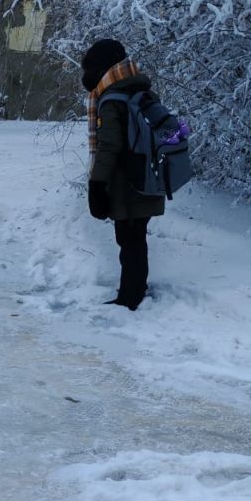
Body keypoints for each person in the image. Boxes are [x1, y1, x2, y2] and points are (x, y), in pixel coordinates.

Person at [80, 39, 165, 310]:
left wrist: (97, 184)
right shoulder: (141, 91)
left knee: (129, 240)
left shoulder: (111, 99)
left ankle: (130, 298)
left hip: (126, 184)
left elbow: (109, 146)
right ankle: (135, 289)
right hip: (147, 177)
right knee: (135, 237)